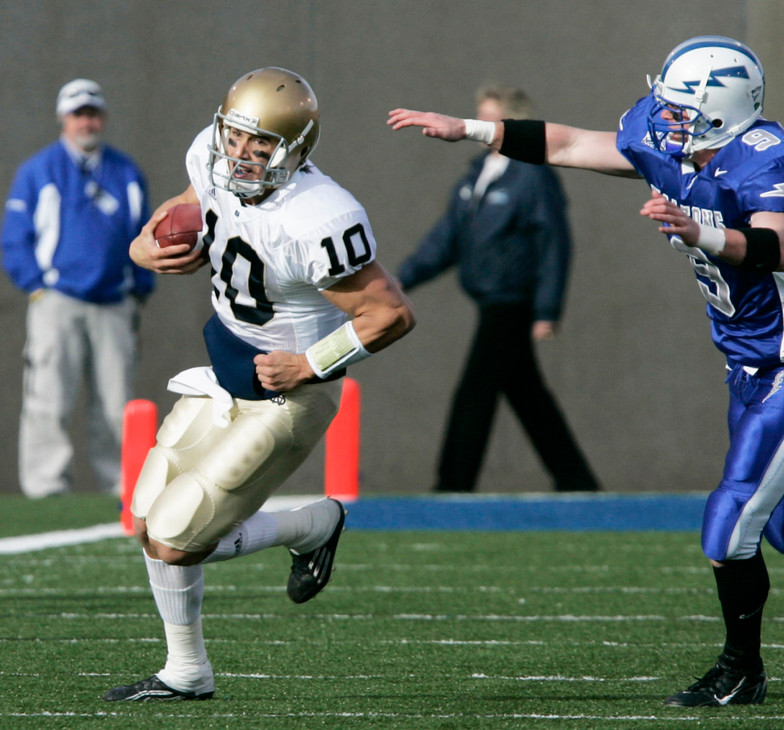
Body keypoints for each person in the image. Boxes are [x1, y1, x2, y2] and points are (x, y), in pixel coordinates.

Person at [388, 36, 784, 707]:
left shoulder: (765, 156)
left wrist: (696, 232)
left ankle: (741, 671)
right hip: (745, 365)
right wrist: (469, 129)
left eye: (681, 108)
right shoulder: (663, 136)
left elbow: (776, 247)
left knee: (727, 529)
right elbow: (566, 144)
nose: (663, 117)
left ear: (724, 109)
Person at [102, 67, 415, 702]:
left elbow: (390, 314)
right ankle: (311, 527)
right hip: (224, 363)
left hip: (289, 390)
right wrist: (142, 245)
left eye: (263, 144)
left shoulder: (318, 216)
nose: (243, 155)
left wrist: (310, 365)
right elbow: (184, 204)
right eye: (236, 138)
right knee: (146, 523)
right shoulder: (212, 156)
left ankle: (187, 674)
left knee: (175, 533)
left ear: (295, 148)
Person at [398, 85, 599, 493]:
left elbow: (553, 244)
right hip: (487, 299)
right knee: (527, 395)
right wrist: (398, 281)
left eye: (489, 118)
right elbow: (446, 238)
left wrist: (546, 310)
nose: (477, 125)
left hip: (511, 302)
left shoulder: (532, 176)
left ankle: (452, 485)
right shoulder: (478, 172)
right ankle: (577, 482)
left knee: (476, 391)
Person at [1, 79, 153, 498]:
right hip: (57, 302)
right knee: (48, 398)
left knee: (116, 403)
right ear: (62, 119)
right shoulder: (38, 170)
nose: (86, 121)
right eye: (77, 113)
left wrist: (140, 289)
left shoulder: (125, 171)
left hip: (114, 304)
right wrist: (35, 286)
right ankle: (46, 487)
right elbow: (14, 237)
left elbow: (147, 235)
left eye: (92, 112)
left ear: (102, 117)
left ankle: (122, 486)